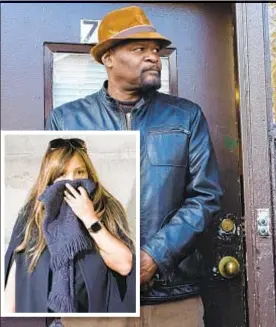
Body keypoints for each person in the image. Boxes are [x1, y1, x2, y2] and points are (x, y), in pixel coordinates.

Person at [46, 6, 222, 327]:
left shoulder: (186, 116)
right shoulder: (67, 120)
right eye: (139, 49)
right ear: (108, 58)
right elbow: (57, 205)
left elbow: (205, 197)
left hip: (173, 296)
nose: (153, 57)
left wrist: (155, 256)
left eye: (156, 50)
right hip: (97, 297)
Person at [4, 138, 135, 313]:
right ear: (50, 178)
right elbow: (14, 280)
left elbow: (124, 264)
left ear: (89, 173)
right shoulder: (32, 215)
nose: (72, 180)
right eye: (62, 174)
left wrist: (89, 218)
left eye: (79, 172)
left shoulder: (107, 208)